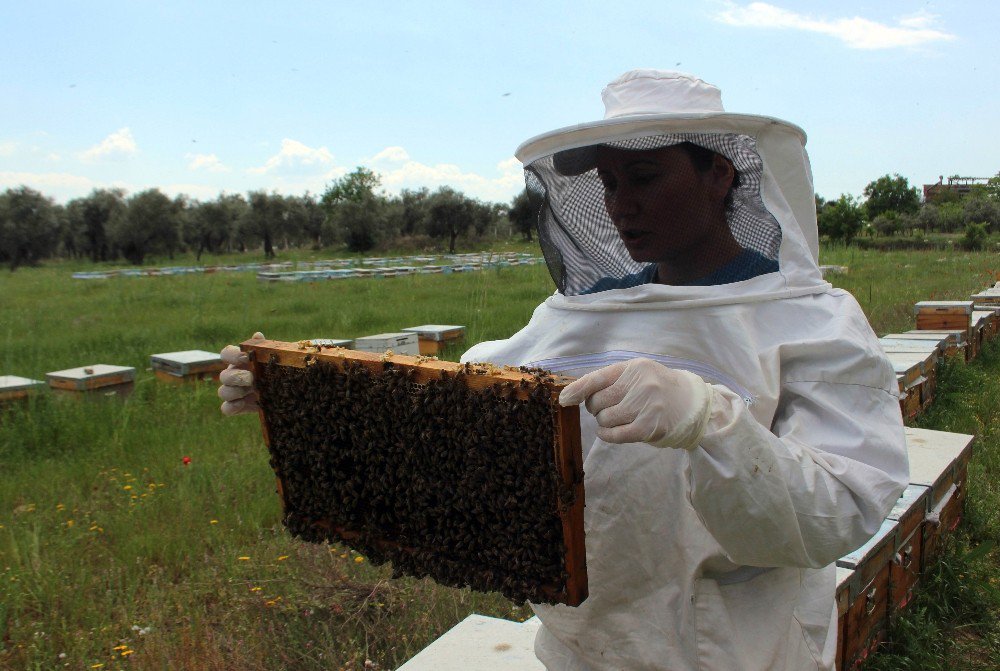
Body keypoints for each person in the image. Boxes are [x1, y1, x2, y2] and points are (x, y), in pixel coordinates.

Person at [220, 70, 909, 670]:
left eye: (643, 177)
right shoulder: (582, 313)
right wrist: (304, 391)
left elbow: (844, 507)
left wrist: (710, 422)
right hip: (579, 647)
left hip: (730, 652)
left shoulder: (812, 321)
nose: (619, 204)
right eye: (608, 183)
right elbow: (468, 401)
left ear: (719, 174)